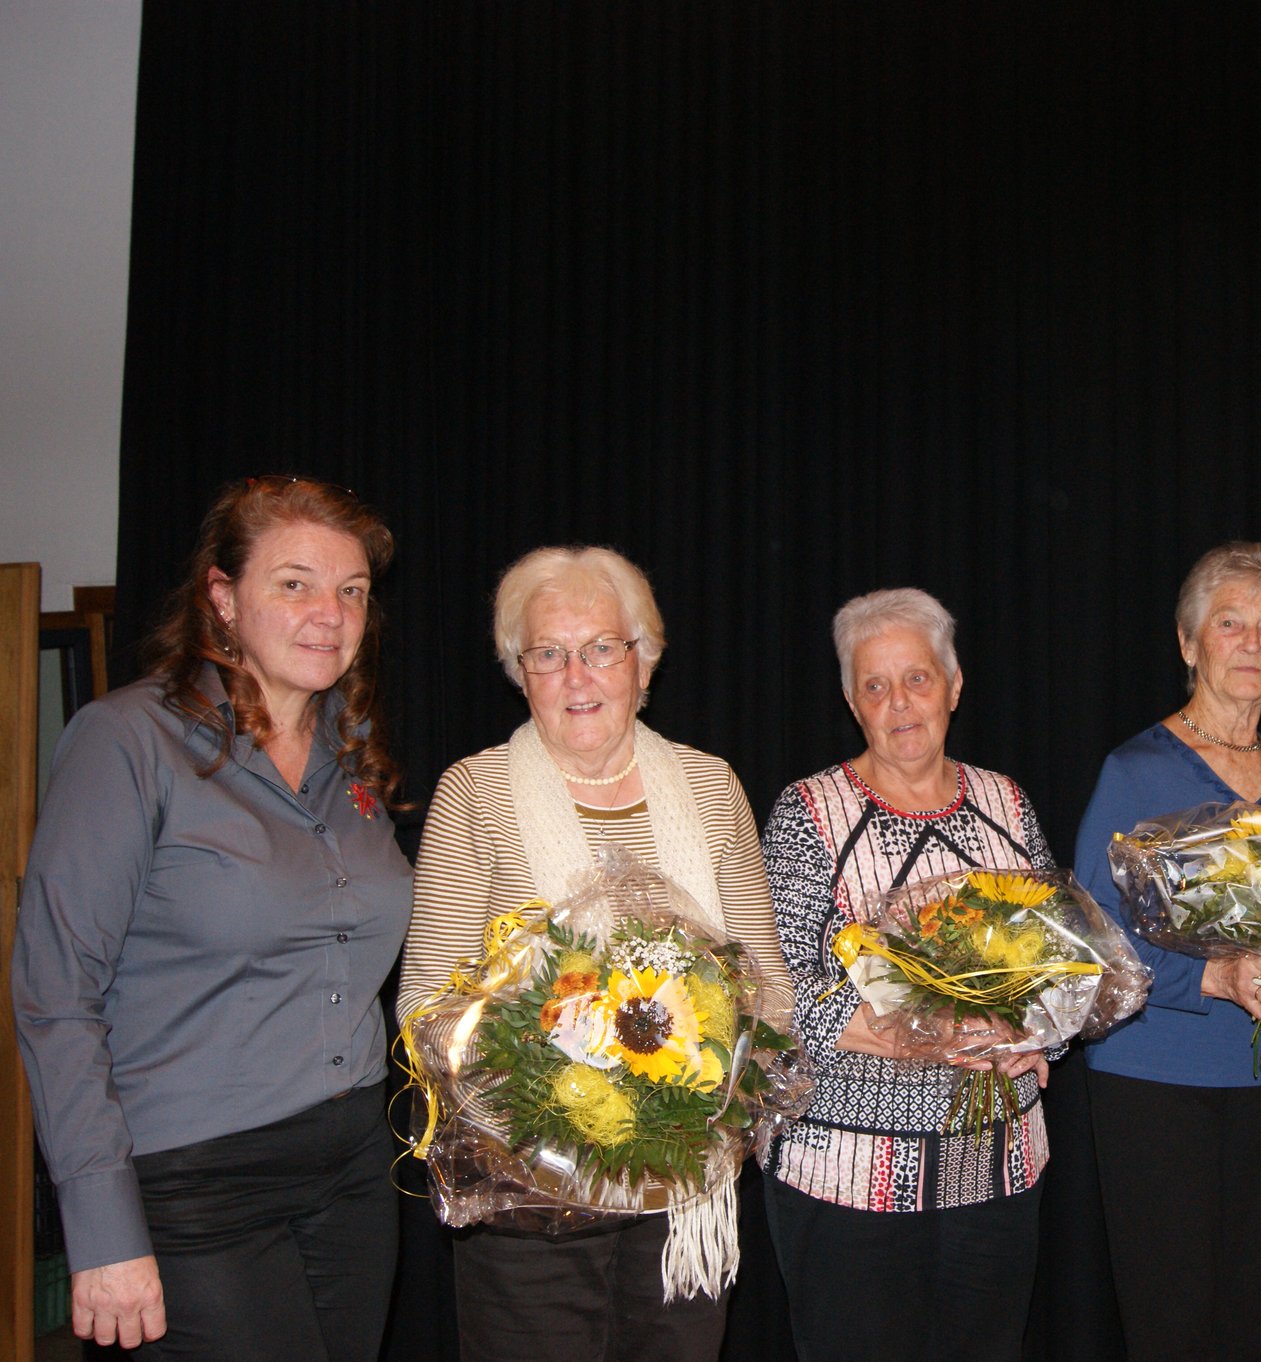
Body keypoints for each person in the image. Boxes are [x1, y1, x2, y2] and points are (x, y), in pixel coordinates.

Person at [13, 475, 410, 1359]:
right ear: (223, 599)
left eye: (352, 591)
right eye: (295, 584)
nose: (330, 614)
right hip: (193, 1183)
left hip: (350, 1169)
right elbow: (56, 995)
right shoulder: (129, 742)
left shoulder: (351, 752)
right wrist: (101, 1226)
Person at [395, 545, 790, 1362]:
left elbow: (768, 988)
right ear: (520, 674)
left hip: (684, 1186)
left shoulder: (712, 786)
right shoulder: (473, 792)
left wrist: (701, 1113)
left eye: (602, 647)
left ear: (645, 661)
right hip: (526, 1196)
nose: (577, 676)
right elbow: (427, 1004)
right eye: (547, 654)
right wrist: (551, 1127)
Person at [760, 587, 1057, 1362]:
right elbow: (778, 989)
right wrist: (932, 1030)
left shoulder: (1006, 803)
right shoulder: (808, 812)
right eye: (875, 685)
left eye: (917, 679)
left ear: (953, 686)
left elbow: (1060, 959)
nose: (899, 703)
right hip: (849, 1178)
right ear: (852, 702)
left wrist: (1041, 1036)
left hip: (998, 1171)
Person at [1074, 541, 1261, 1362]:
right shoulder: (1136, 772)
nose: (1252, 642)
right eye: (1229, 624)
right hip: (1156, 1077)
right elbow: (1090, 938)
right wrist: (1212, 975)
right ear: (1188, 643)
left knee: (1258, 1321)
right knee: (1171, 1325)